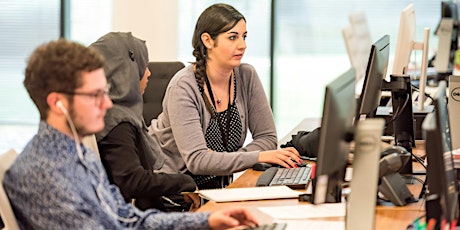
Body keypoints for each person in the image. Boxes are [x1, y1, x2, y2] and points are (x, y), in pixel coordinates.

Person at [2, 38, 258, 229]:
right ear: (57, 103)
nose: (106, 104)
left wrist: (206, 221)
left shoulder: (78, 154)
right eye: (95, 95)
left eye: (105, 92)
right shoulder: (44, 174)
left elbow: (127, 217)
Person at [149, 3, 301, 189]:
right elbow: (197, 160)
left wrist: (224, 160)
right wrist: (257, 156)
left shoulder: (246, 76)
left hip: (219, 188)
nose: (242, 45)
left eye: (244, 37)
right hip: (177, 193)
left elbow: (267, 138)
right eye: (232, 37)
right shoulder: (184, 86)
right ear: (208, 41)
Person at [90, 32, 197, 212]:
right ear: (126, 71)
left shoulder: (119, 113)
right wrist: (183, 182)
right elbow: (132, 181)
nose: (148, 73)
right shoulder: (117, 121)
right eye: (143, 65)